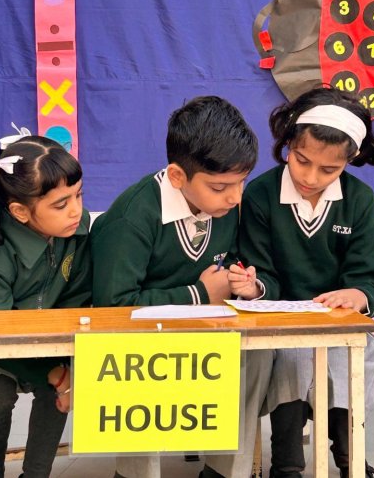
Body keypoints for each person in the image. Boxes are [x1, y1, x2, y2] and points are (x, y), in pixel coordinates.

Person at [91, 95, 274, 478]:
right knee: (131, 356)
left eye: (241, 182)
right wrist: (199, 295)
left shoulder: (225, 206)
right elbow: (113, 307)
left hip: (201, 334)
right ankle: (135, 474)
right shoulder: (132, 218)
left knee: (258, 351)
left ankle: (225, 470)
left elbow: (234, 261)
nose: (236, 196)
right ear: (177, 176)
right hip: (137, 341)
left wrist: (243, 282)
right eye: (220, 186)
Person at [228, 87, 374, 478]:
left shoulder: (360, 200)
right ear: (288, 145)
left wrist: (356, 293)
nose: (310, 177)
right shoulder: (261, 194)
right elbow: (261, 272)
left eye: (328, 169)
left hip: (337, 324)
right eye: (301, 160)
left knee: (352, 353)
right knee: (293, 355)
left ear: (350, 159)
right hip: (281, 324)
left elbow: (368, 279)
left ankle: (350, 455)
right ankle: (286, 463)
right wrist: (252, 286)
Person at [0, 136, 92, 478]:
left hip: (48, 345)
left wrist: (60, 368)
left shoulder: (78, 232)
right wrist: (53, 373)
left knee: (59, 391)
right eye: (61, 204)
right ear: (20, 212)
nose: (76, 210)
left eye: (79, 195)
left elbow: (76, 300)